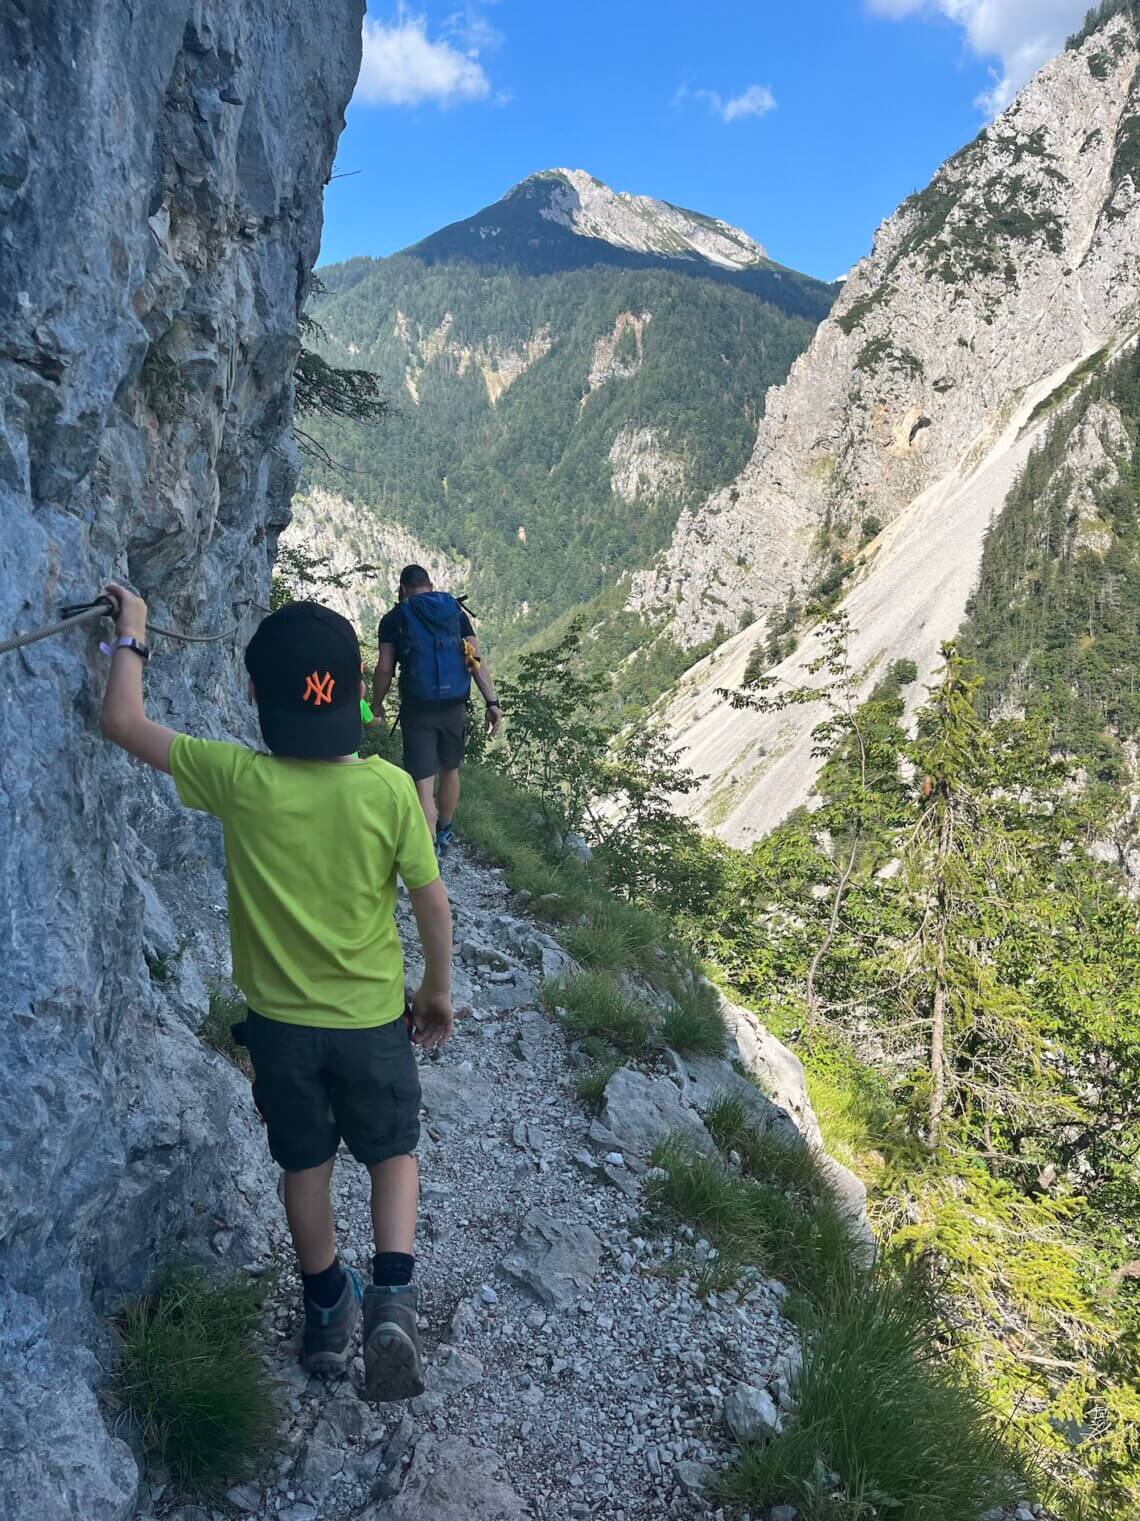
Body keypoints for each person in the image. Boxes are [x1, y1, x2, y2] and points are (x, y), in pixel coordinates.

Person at [97, 584, 453, 1400]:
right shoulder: (392, 790)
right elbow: (432, 903)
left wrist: (134, 632)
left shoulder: (237, 778)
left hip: (281, 1032)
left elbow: (121, 724)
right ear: (359, 686)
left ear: (255, 695)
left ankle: (328, 1307)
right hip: (372, 1023)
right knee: (393, 1152)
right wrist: (435, 991)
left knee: (306, 1164)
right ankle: (391, 1295)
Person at [372, 565, 501, 856]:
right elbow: (474, 660)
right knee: (450, 769)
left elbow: (384, 668)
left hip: (418, 708)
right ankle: (444, 831)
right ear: (430, 586)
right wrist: (492, 703)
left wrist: (376, 704)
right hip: (455, 705)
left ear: (403, 589)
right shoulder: (455, 612)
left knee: (423, 779)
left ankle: (427, 846)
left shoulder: (394, 618)